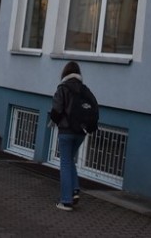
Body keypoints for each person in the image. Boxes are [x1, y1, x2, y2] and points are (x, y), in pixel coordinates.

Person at [49, 60, 94, 211]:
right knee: (69, 160)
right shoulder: (85, 90)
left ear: (65, 73)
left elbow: (56, 110)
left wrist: (55, 120)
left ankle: (66, 201)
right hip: (81, 132)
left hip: (66, 131)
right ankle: (74, 191)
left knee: (65, 163)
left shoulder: (63, 88)